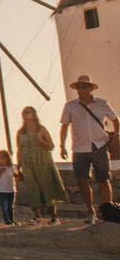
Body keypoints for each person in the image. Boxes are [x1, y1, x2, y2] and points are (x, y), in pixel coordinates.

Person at [58, 75, 118, 223]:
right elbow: (64, 125)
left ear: (91, 88)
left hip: (99, 144)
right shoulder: (70, 105)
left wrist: (116, 135)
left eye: (85, 86)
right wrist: (62, 145)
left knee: (103, 178)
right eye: (79, 87)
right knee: (82, 180)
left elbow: (115, 119)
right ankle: (91, 211)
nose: (81, 90)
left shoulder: (102, 104)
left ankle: (107, 211)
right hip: (80, 147)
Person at [15, 106, 66, 225]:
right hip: (27, 163)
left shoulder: (41, 129)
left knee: (48, 187)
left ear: (34, 114)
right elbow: (19, 149)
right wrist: (18, 165)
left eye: (29, 112)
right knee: (33, 188)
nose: (26, 114)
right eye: (24, 112)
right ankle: (37, 216)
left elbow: (51, 146)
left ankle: (54, 216)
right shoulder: (20, 132)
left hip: (42, 161)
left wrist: (41, 140)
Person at [0, 149, 17, 225]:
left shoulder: (11, 167)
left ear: (7, 159)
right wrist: (1, 171)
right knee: (4, 206)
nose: (0, 161)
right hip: (2, 190)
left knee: (10, 206)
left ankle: (12, 219)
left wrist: (19, 176)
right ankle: (6, 220)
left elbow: (15, 175)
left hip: (11, 189)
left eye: (2, 159)